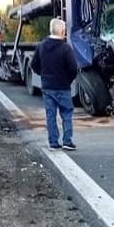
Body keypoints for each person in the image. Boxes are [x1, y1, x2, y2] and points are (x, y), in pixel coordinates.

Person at [31, 18, 78, 150]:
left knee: (50, 115)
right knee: (66, 114)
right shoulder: (66, 48)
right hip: (63, 87)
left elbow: (34, 65)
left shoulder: (41, 46)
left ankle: (53, 142)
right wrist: (68, 80)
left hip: (47, 87)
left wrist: (44, 75)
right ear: (62, 31)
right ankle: (67, 141)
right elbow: (73, 68)